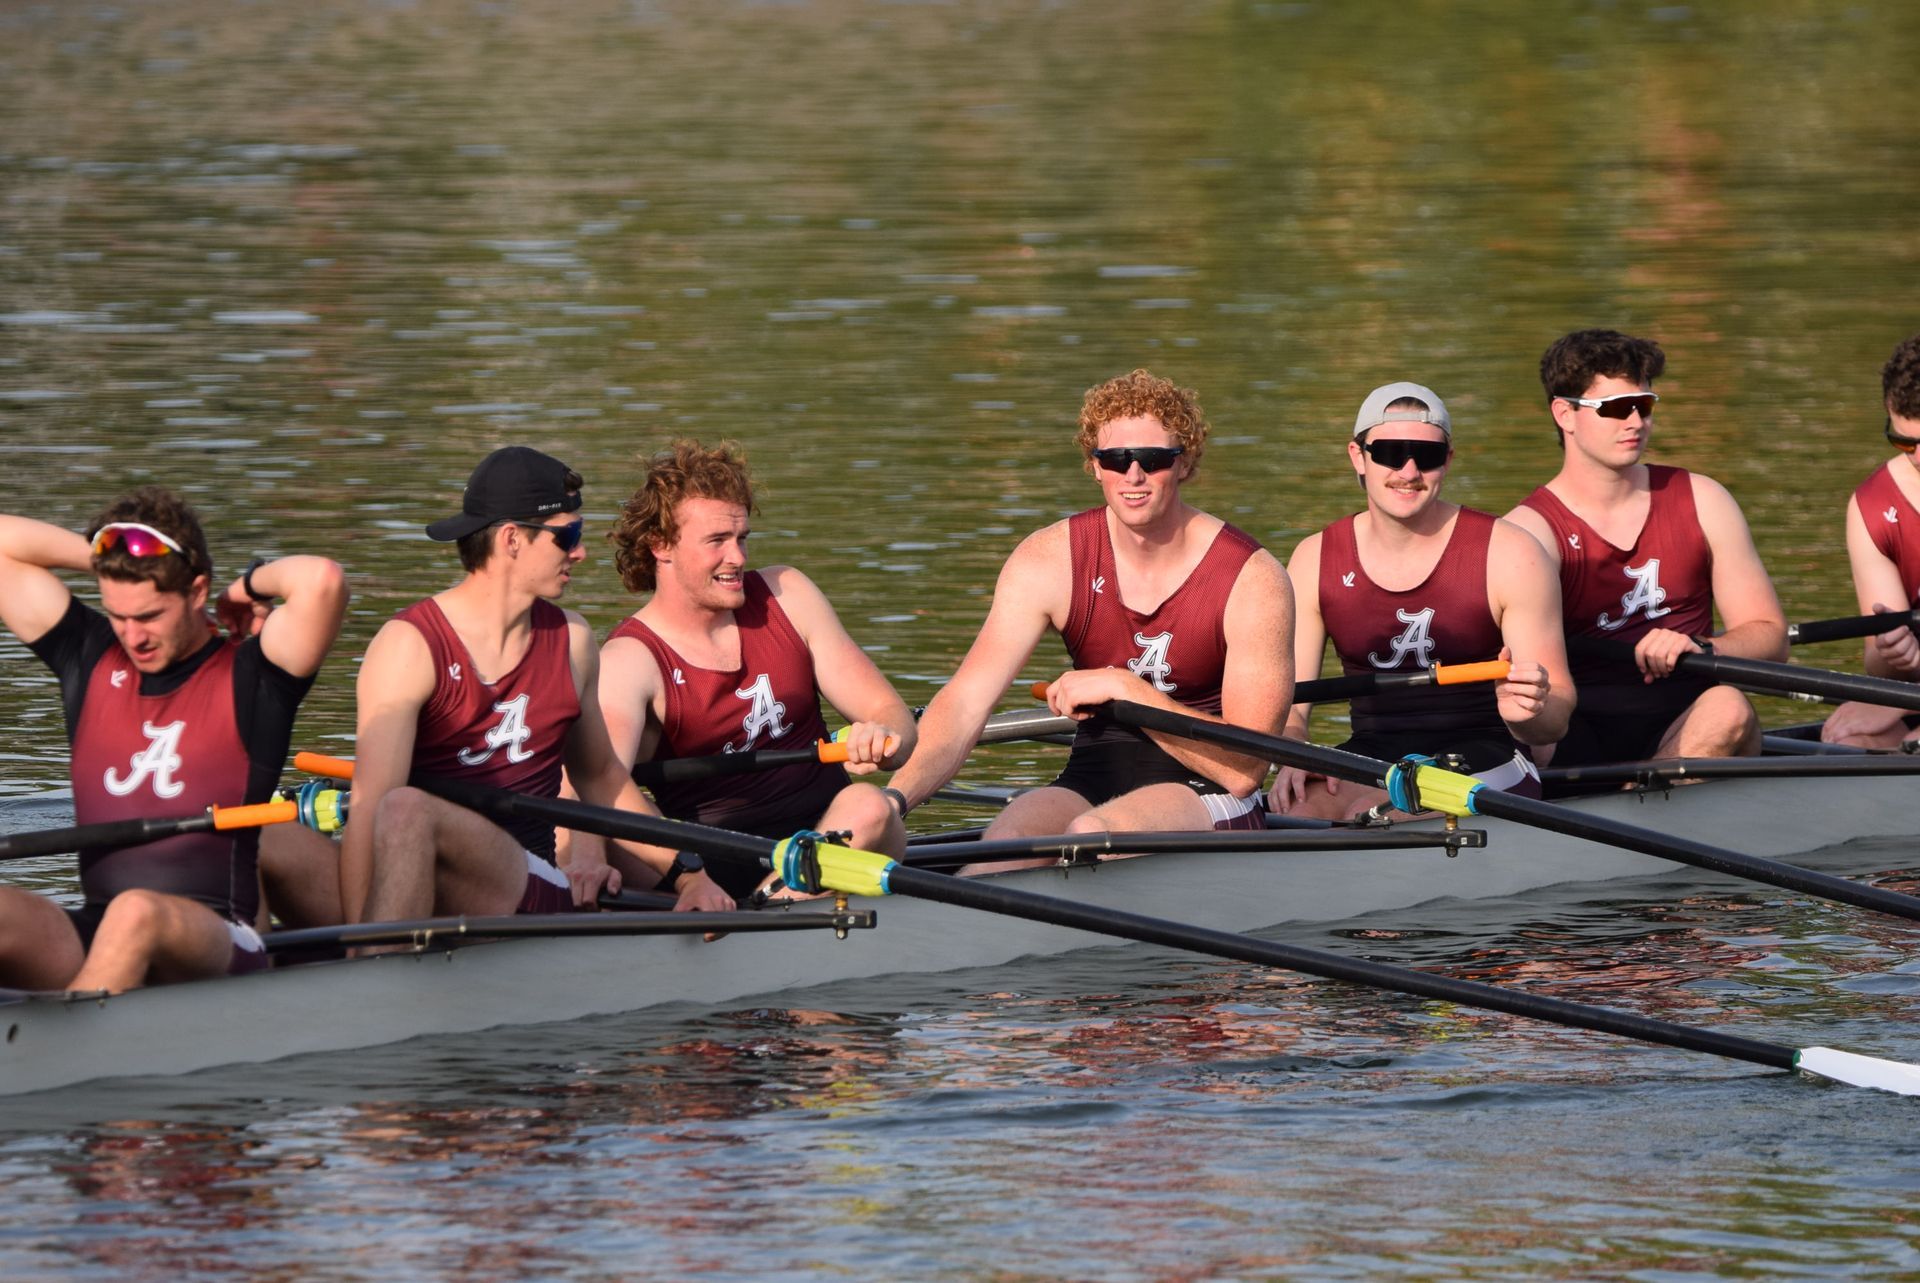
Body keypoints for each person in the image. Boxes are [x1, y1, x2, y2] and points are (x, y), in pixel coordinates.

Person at [276, 446, 734, 931]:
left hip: (526, 880)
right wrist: (354, 932)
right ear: (513, 539)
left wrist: (689, 874)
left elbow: (600, 776)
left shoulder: (571, 642)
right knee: (264, 835)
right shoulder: (409, 646)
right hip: (414, 864)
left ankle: (375, 972)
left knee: (407, 809)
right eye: (568, 534)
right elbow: (368, 812)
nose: (579, 551)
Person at [884, 369, 1293, 853]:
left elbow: (1245, 769)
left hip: (1210, 790)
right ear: (1095, 466)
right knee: (1006, 840)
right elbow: (966, 704)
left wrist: (1125, 688)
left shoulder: (1252, 577)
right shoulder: (1049, 559)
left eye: (1153, 459)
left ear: (1185, 464)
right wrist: (890, 804)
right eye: (1116, 459)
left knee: (1089, 835)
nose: (1133, 475)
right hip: (1091, 777)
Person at [0, 488, 347, 992]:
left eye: (148, 616)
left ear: (197, 591)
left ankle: (73, 1049)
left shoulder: (253, 676)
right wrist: (104, 557)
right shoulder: (89, 656)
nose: (132, 636)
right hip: (100, 927)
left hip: (220, 936)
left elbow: (322, 580)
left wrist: (246, 586)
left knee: (135, 912)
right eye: (117, 615)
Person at [574, 440, 916, 901]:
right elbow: (598, 784)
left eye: (742, 538)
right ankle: (758, 912)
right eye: (717, 541)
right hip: (709, 865)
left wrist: (885, 741)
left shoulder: (787, 596)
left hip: (838, 833)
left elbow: (893, 715)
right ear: (661, 546)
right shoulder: (630, 660)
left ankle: (760, 916)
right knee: (590, 845)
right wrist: (588, 856)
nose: (737, 557)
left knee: (871, 804)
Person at [1272, 383, 1572, 819]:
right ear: (1358, 456)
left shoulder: (1510, 553)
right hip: (1373, 752)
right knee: (1291, 812)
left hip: (1488, 753)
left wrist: (1526, 712)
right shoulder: (1313, 558)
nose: (1409, 471)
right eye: (1391, 452)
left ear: (1447, 461)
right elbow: (1291, 706)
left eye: (1426, 455)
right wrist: (1295, 749)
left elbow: (1556, 718)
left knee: (1382, 814)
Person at [1505, 329, 1787, 767]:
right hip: (1579, 735)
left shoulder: (1702, 499)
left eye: (1644, 404)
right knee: (1529, 731)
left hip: (1691, 723)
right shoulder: (1529, 533)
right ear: (1565, 414)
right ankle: (1637, 807)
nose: (1636, 422)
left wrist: (1703, 647)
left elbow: (1770, 636)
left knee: (1730, 706)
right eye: (1617, 408)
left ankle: (1635, 804)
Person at [1823, 332, 1920, 747]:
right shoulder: (1873, 506)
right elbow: (1879, 668)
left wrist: (1897, 703)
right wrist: (1895, 653)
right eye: (1905, 442)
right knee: (1848, 739)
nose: (1919, 459)